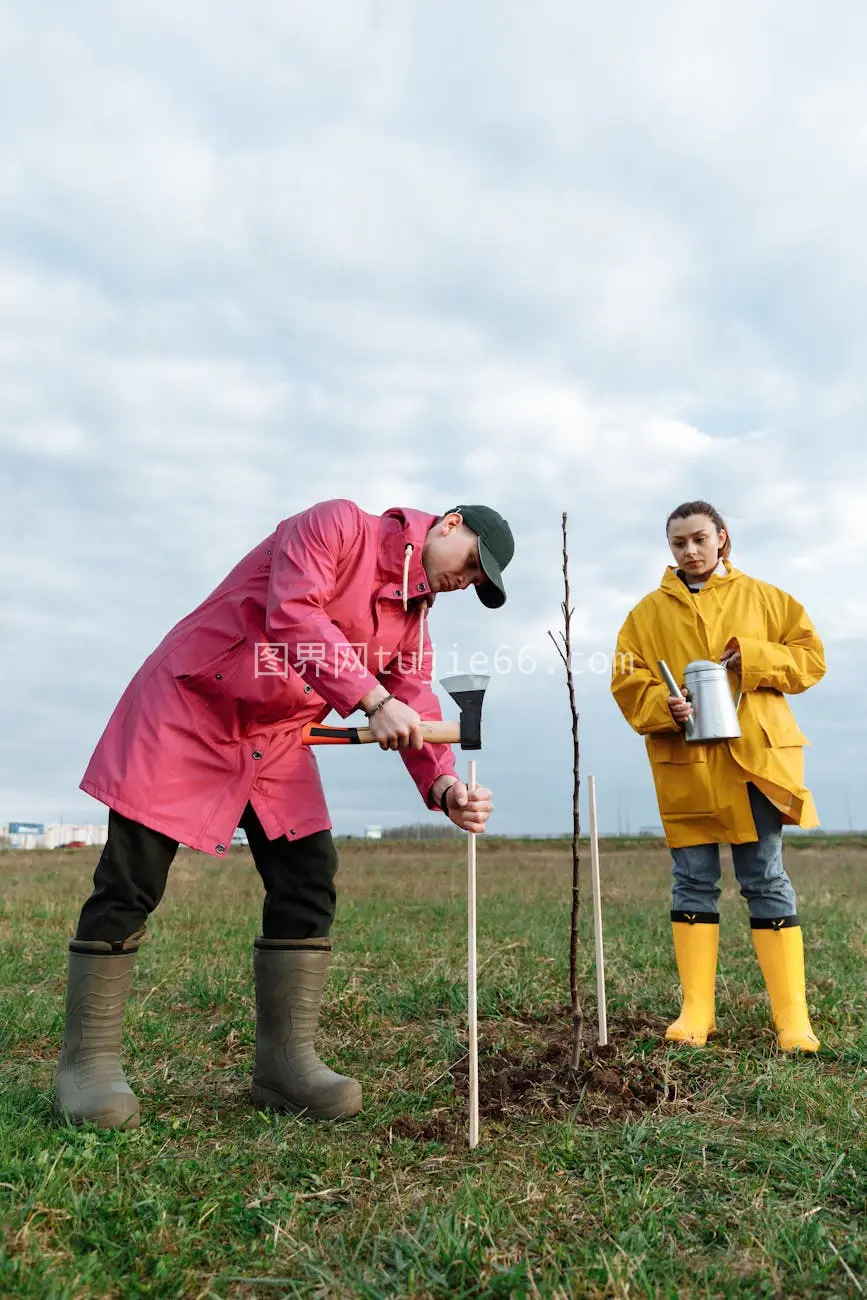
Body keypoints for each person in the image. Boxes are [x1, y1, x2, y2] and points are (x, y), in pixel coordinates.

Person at [55, 500, 514, 1129]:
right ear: (451, 522)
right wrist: (369, 697)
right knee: (131, 881)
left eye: (480, 584)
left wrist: (442, 786)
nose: (468, 581)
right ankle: (88, 1065)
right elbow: (294, 615)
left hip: (274, 741)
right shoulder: (337, 526)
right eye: (472, 565)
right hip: (190, 711)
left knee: (307, 878)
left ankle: (284, 1065)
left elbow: (415, 697)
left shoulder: (414, 619)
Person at [611, 500, 824, 1052]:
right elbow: (626, 679)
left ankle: (792, 1021)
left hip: (755, 759)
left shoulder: (765, 598)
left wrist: (749, 657)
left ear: (722, 538)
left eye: (700, 539)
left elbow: (811, 659)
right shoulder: (646, 614)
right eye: (679, 542)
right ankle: (696, 1013)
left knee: (765, 878)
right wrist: (665, 706)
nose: (690, 550)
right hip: (688, 765)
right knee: (692, 879)